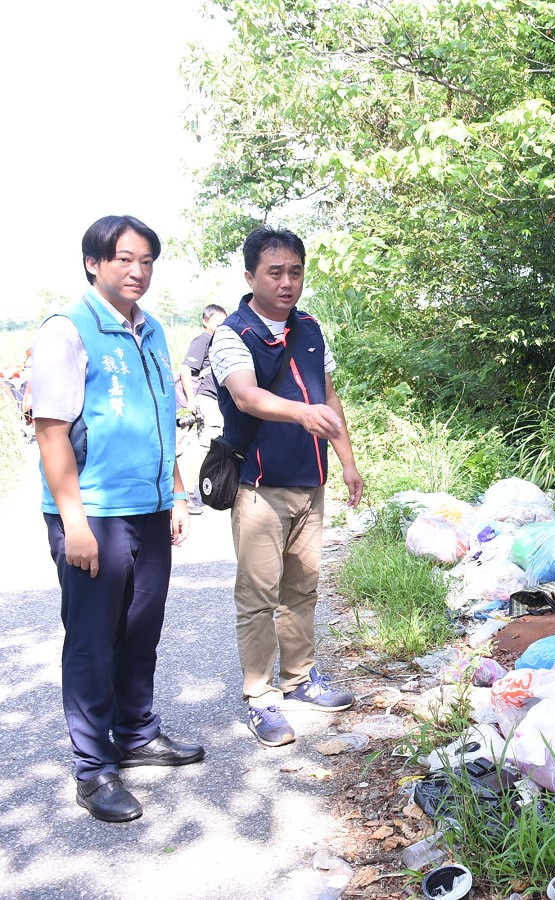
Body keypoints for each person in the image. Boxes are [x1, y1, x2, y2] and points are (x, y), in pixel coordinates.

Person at [32, 215, 205, 823]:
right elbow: (51, 431)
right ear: (94, 263)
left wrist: (177, 493)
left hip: (151, 509)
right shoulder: (69, 330)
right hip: (95, 514)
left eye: (147, 261)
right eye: (125, 260)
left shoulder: (152, 329)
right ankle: (94, 767)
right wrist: (73, 522)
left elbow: (163, 419)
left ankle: (135, 734)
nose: (138, 272)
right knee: (92, 641)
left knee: (140, 630)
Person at [209, 225, 363, 747]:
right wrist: (303, 414)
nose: (287, 282)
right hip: (259, 487)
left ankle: (299, 680)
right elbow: (247, 398)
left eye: (295, 271)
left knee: (303, 587)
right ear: (250, 275)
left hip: (309, 482)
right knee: (258, 594)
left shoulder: (311, 328)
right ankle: (260, 696)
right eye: (274, 272)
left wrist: (347, 461)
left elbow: (330, 395)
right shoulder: (233, 334)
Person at [177, 304, 227, 513]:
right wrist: (191, 399)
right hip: (206, 399)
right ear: (205, 321)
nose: (222, 325)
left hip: (214, 399)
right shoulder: (203, 340)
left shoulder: (216, 341)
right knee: (204, 446)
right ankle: (189, 494)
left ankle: (196, 491)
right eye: (218, 321)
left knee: (206, 444)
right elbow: (186, 368)